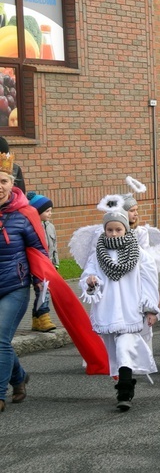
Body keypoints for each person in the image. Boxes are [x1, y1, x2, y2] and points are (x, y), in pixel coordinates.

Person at [80, 206, 160, 411]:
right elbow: (88, 274)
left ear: (126, 230)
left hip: (131, 308)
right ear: (105, 231)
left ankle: (125, 390)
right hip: (108, 308)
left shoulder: (139, 254)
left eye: (118, 230)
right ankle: (123, 381)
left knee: (125, 346)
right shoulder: (98, 254)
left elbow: (149, 281)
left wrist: (150, 308)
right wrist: (91, 281)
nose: (114, 233)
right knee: (115, 350)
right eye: (110, 230)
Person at [0, 157, 44, 412]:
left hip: (14, 286)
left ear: (12, 184)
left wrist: (40, 283)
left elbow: (38, 250)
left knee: (1, 339)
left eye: (3, 181)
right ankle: (19, 377)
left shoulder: (24, 214)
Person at [27, 192, 58, 332]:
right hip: (37, 266)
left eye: (51, 210)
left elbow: (54, 247)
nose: (50, 213)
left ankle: (36, 319)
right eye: (47, 211)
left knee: (44, 290)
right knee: (42, 290)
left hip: (49, 265)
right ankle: (43, 317)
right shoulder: (31, 228)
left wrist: (56, 264)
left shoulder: (50, 227)